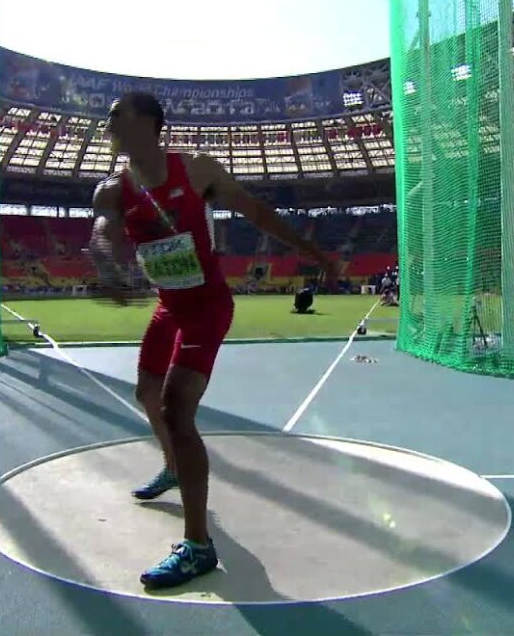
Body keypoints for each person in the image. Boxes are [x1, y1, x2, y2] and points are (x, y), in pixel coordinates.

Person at [88, 91, 338, 589]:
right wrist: (105, 260)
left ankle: (198, 546)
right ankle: (174, 468)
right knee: (146, 394)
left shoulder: (197, 170)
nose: (108, 122)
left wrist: (313, 251)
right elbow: (103, 229)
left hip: (206, 305)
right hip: (169, 307)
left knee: (176, 407)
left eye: (117, 114)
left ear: (149, 123)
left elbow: (256, 213)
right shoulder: (111, 189)